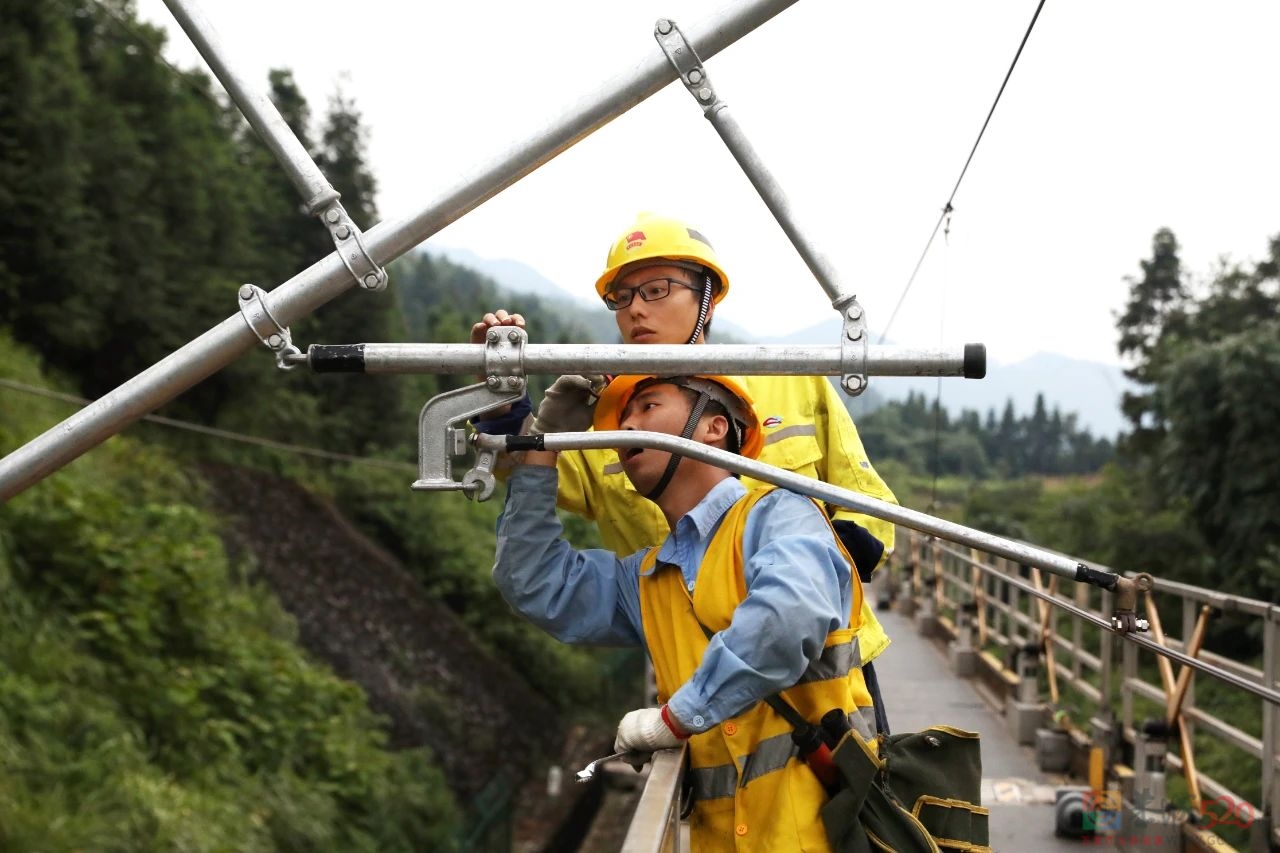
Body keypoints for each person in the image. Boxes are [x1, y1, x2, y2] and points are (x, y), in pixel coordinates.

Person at [471, 212, 899, 733]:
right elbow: (530, 480)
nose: (635, 311)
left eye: (655, 290)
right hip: (695, 670)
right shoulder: (607, 415)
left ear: (706, 295)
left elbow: (870, 508)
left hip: (822, 669)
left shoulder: (788, 379)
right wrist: (506, 406)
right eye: (621, 299)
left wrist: (822, 558)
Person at [492, 373, 873, 851]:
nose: (627, 426)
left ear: (714, 428)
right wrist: (539, 445)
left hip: (827, 836)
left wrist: (674, 720)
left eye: (647, 407)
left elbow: (785, 620)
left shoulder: (782, 515)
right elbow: (533, 582)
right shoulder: (649, 578)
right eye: (621, 418)